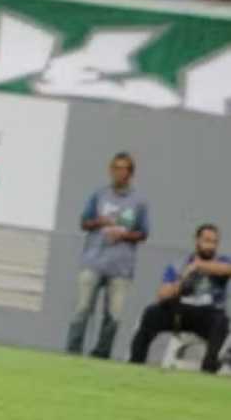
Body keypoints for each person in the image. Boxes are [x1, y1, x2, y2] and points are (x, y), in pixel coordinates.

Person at [66, 153, 149, 360]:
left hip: (121, 266)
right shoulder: (99, 195)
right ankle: (72, 351)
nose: (118, 172)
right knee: (82, 309)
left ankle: (101, 354)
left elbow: (144, 233)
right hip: (94, 260)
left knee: (114, 315)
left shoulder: (139, 202)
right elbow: (84, 223)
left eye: (124, 169)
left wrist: (124, 234)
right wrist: (100, 222)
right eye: (115, 168)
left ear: (131, 173)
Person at [129, 224, 231, 373]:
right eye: (207, 241)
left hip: (207, 314)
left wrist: (197, 266)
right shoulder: (179, 265)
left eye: (214, 242)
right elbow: (162, 294)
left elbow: (227, 269)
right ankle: (135, 363)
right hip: (180, 312)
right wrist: (181, 283)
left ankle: (208, 370)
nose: (211, 246)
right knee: (151, 313)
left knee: (221, 321)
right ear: (197, 241)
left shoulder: (222, 261)